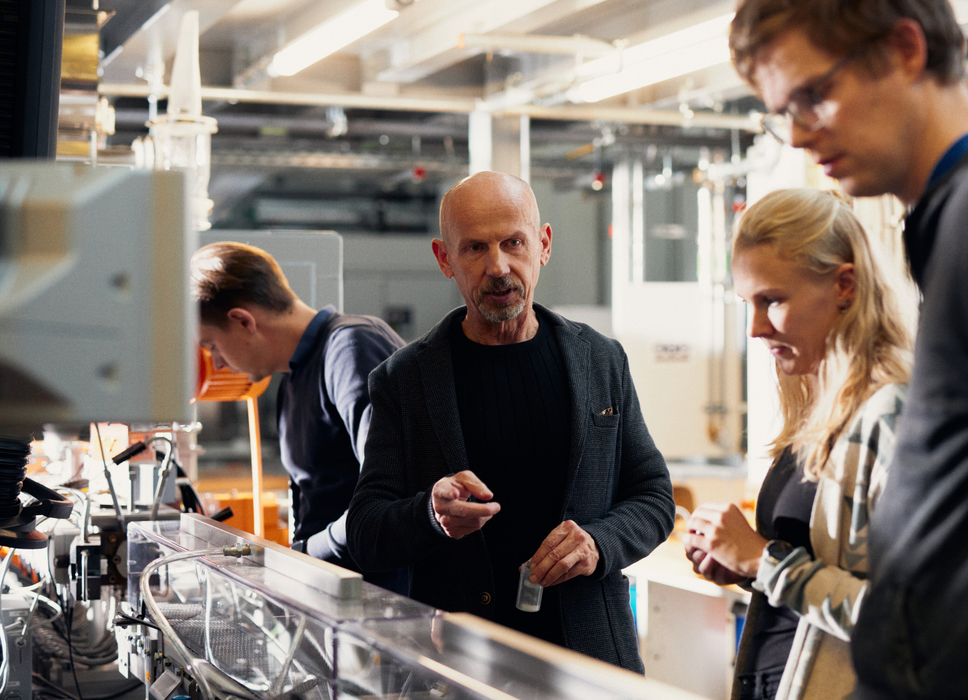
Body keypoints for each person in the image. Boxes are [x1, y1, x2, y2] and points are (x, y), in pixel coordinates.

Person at [730, 1, 968, 697]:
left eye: (814, 96)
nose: (797, 135)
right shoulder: (959, 219)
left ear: (906, 50)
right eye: (783, 110)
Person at [346, 171, 674, 672]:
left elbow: (653, 496)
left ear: (542, 245)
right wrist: (428, 516)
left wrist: (597, 544)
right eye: (475, 248)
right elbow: (367, 530)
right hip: (462, 663)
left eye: (513, 242)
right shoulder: (405, 379)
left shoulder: (601, 360)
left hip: (591, 657)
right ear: (444, 259)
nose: (497, 267)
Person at [683, 189, 912, 700]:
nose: (757, 329)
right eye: (748, 303)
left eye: (773, 300)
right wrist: (744, 566)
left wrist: (763, 560)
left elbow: (913, 626)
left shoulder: (892, 416)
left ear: (845, 286)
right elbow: (812, 580)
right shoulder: (817, 411)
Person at [191, 242, 409, 593]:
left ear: (243, 321)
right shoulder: (294, 376)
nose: (215, 363)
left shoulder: (350, 349)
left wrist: (301, 555)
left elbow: (393, 496)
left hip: (380, 600)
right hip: (331, 592)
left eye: (212, 345)